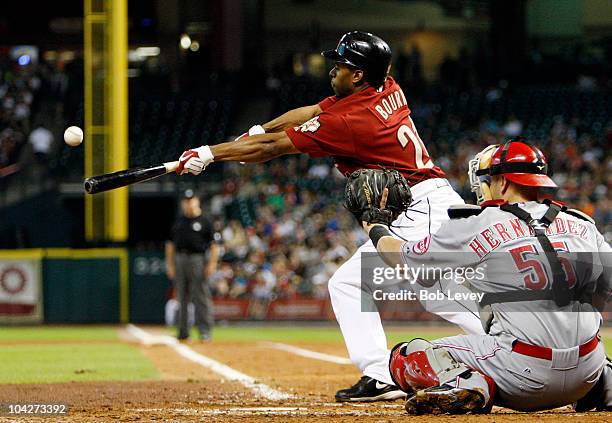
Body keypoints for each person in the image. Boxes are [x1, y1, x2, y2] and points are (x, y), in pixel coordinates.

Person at [176, 30, 484, 401]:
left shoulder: (352, 122)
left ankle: (521, 352)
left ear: (357, 75)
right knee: (350, 284)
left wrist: (210, 154)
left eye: (339, 66)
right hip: (425, 202)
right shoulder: (384, 85)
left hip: (422, 209)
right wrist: (257, 129)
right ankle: (379, 373)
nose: (332, 71)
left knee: (439, 292)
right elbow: (310, 112)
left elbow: (275, 147)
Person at [360, 140, 610, 414]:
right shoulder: (581, 223)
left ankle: (470, 384)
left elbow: (402, 258)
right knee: (592, 347)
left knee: (406, 356)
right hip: (587, 372)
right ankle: (605, 387)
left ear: (502, 182)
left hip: (522, 379)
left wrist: (376, 226)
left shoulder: (476, 223)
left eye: (488, 178)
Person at [165, 189, 219, 341]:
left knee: (201, 296)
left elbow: (214, 245)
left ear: (197, 201)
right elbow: (170, 245)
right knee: (182, 297)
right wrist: (170, 265)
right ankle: (183, 332)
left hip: (198, 259)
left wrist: (212, 264)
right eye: (186, 200)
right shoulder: (179, 221)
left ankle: (205, 331)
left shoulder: (205, 221)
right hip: (180, 259)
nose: (188, 203)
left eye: (191, 200)